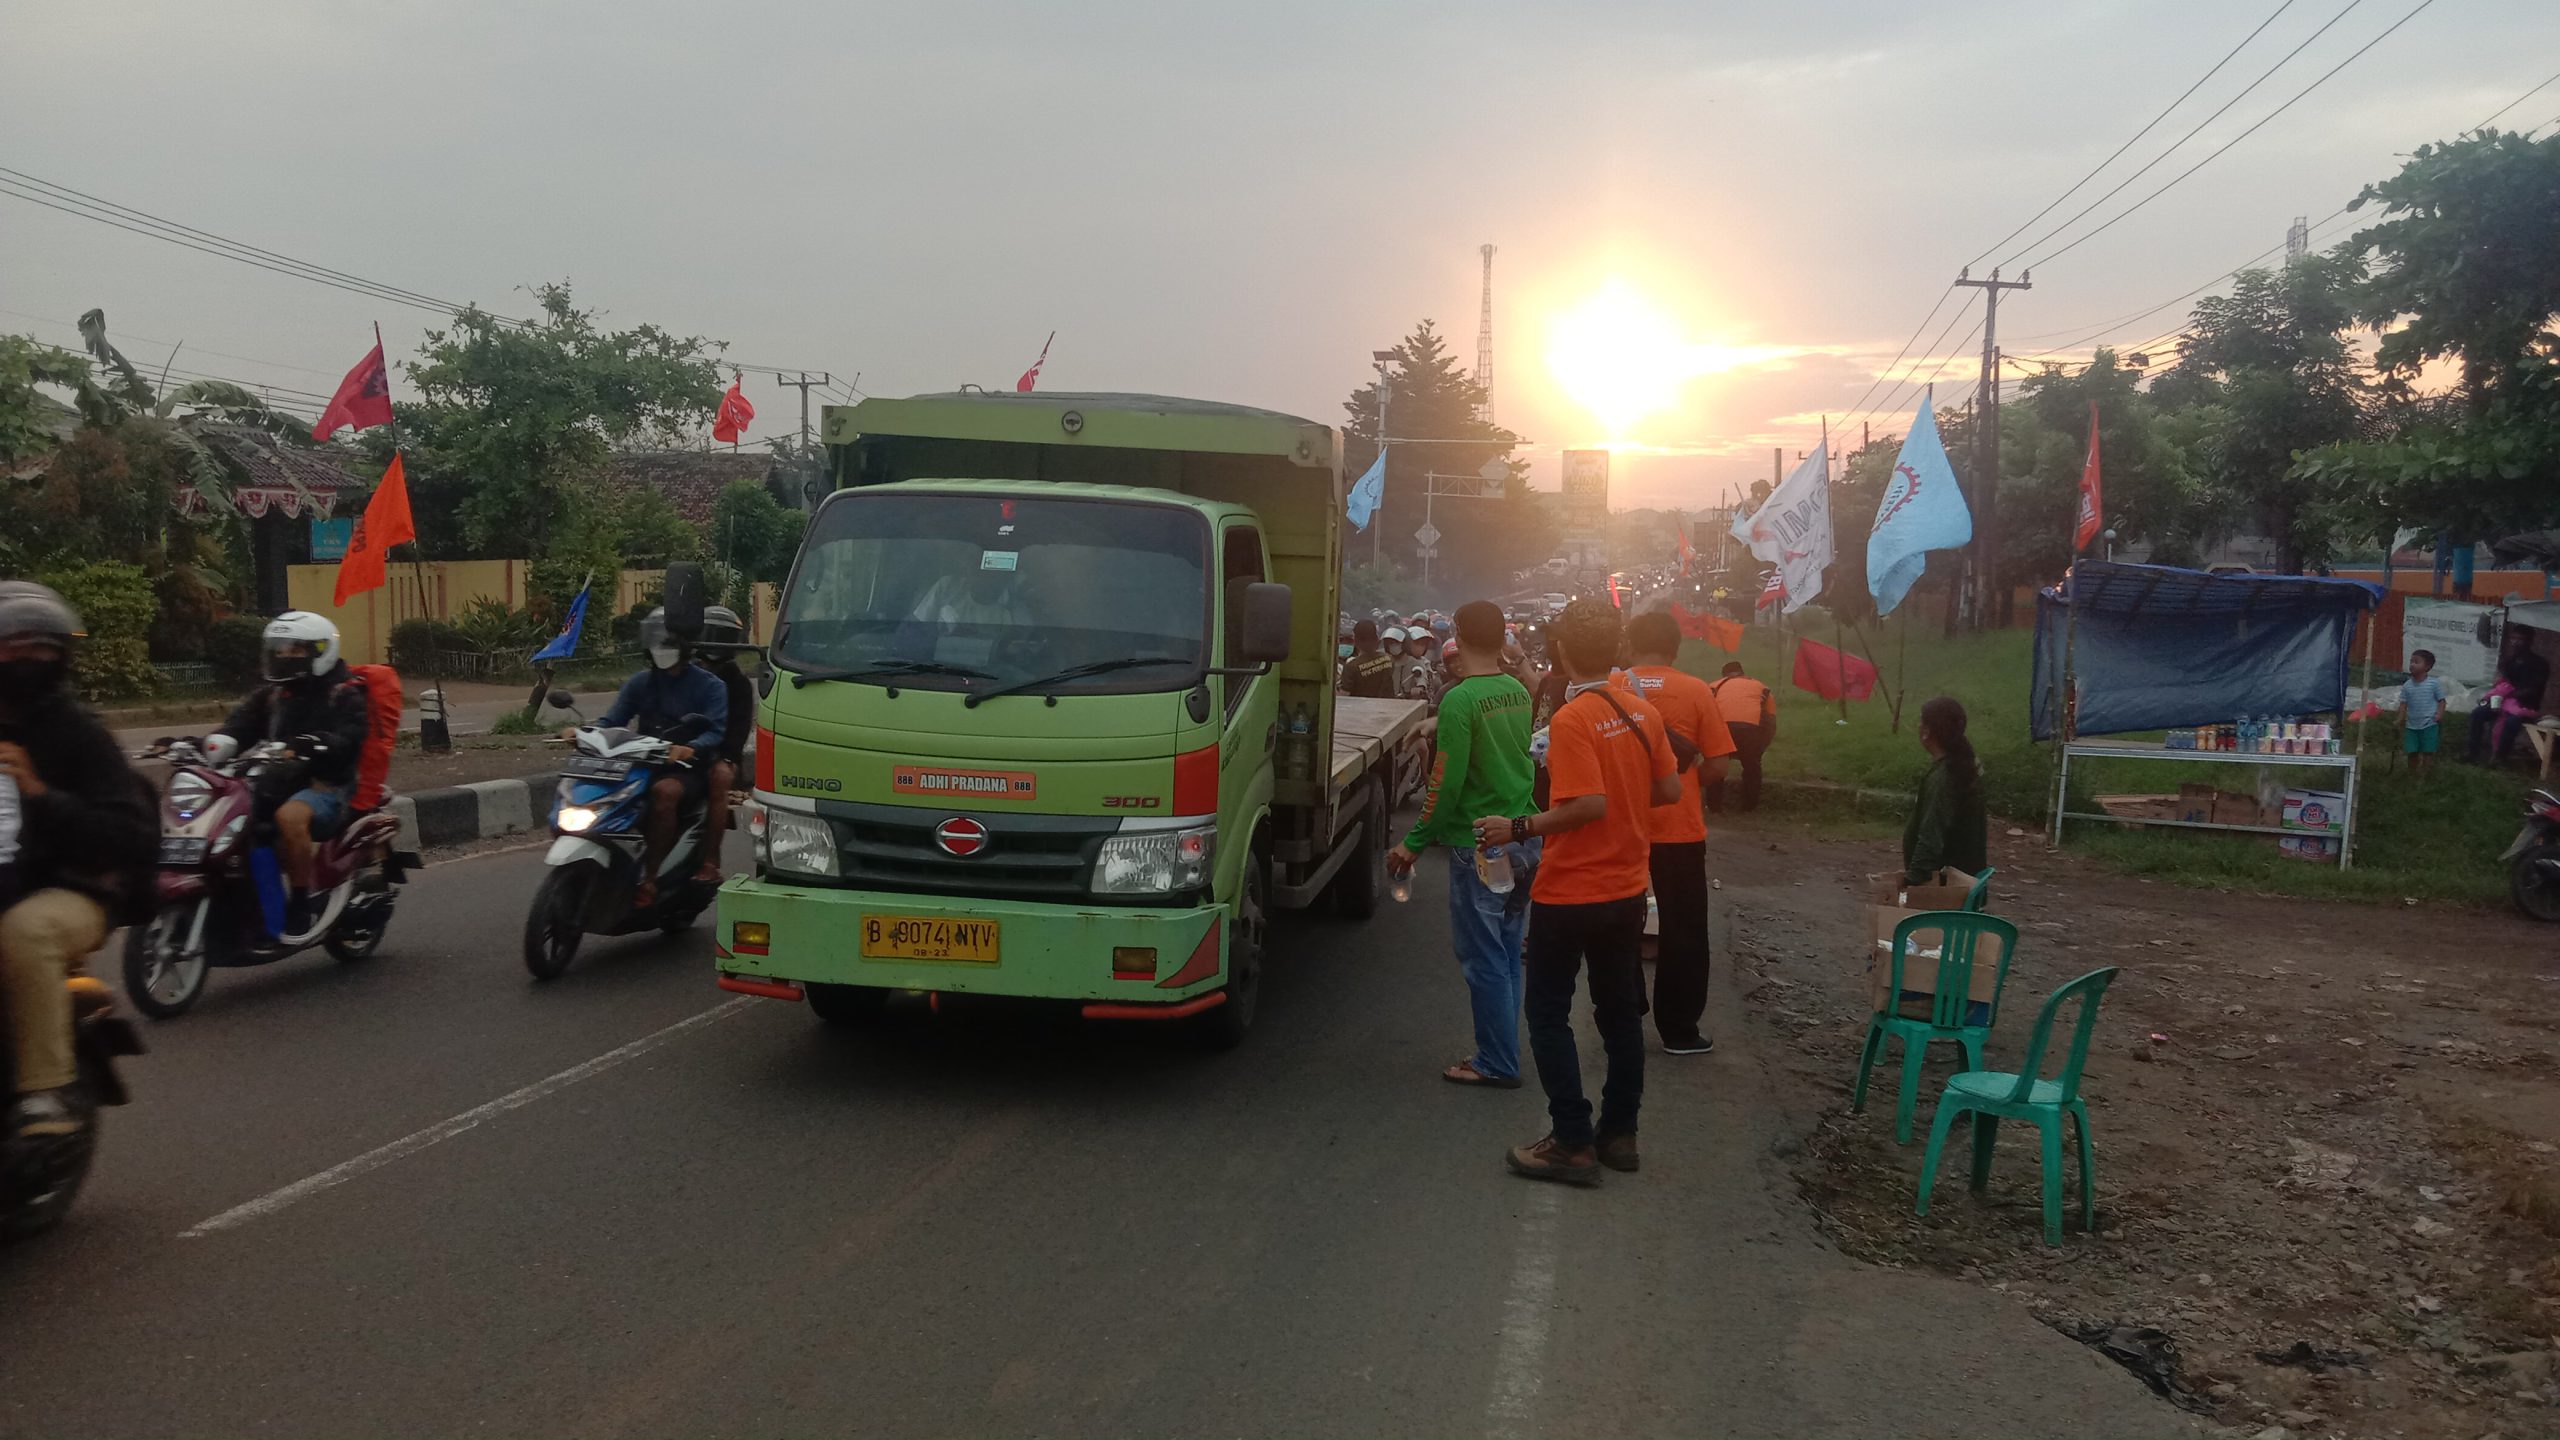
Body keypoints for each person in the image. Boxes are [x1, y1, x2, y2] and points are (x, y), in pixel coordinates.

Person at [1477, 600, 1679, 1186]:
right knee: (1619, 1016)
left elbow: (1586, 805)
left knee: (1546, 1014)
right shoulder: (1641, 712)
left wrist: (1516, 827)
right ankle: (1620, 1134)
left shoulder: (1571, 721)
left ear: (1562, 653)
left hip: (1570, 895)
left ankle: (1570, 1140)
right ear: (1617, 651)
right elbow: (1666, 790)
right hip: (1625, 891)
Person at [0, 583, 156, 1147]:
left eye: (40, 649)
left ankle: (47, 1086)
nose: (25, 661)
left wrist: (40, 793)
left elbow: (129, 836)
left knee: (22, 933)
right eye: (13, 648)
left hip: (73, 888)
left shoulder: (80, 735)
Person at [1388, 600, 1538, 1090]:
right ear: (1502, 639)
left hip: (1480, 846)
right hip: (1520, 838)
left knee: (1484, 957)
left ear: (1456, 633)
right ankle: (1505, 1049)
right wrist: (1437, 723)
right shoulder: (1514, 689)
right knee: (1508, 949)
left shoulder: (1459, 699)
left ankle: (1496, 1061)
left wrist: (1412, 843)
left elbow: (1445, 785)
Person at [209, 612, 370, 941]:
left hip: (327, 786)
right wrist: (204, 745)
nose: (284, 657)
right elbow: (237, 728)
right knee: (231, 821)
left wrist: (317, 743)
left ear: (320, 651)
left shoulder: (343, 693)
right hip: (276, 781)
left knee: (289, 817)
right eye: (280, 650)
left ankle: (299, 904)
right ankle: (249, 909)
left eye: (294, 650)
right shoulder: (272, 694)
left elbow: (350, 737)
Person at [1624, 610, 1737, 1056]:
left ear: (1630, 643)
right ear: (1675, 648)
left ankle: (1624, 1008)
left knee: (1618, 920)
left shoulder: (1613, 687)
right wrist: (1685, 785)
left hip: (1621, 826)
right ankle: (1679, 1030)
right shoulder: (1695, 691)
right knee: (1684, 927)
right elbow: (1720, 765)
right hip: (1679, 829)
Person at [576, 607, 730, 907]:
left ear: (685, 647)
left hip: (686, 766)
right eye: (658, 643)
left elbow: (715, 732)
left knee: (665, 792)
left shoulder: (711, 686)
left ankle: (650, 876)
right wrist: (584, 731)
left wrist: (691, 746)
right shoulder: (640, 682)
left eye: (669, 643)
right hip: (642, 760)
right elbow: (613, 720)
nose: (663, 650)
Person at [692, 605, 756, 883]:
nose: (711, 644)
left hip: (720, 754)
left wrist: (728, 757)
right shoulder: (686, 672)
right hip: (682, 749)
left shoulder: (738, 683)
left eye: (719, 637)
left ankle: (710, 861)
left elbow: (740, 727)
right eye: (708, 635)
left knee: (718, 780)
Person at [1904, 695, 1988, 884]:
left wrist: (1911, 881)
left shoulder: (1944, 777)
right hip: (1960, 882)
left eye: (1920, 722)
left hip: (1942, 887)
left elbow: (1931, 836)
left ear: (1926, 732)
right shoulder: (1962, 767)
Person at [2468, 628, 2550, 765]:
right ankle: (2473, 753)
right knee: (2478, 713)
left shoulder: (2540, 664)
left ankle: (2500, 757)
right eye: (2513, 638)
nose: (2515, 642)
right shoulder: (2510, 661)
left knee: (2511, 722)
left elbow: (2534, 689)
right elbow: (2504, 681)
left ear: (2529, 641)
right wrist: (2499, 687)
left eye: (2520, 639)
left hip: (2525, 706)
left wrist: (2510, 694)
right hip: (2503, 702)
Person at [1706, 660, 1776, 813]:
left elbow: (1705, 715)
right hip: (1750, 730)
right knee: (1752, 767)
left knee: (1717, 765)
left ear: (1724, 675)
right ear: (1743, 673)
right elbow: (1771, 722)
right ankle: (1749, 807)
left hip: (1722, 728)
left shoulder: (1714, 686)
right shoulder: (1763, 688)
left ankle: (1714, 807)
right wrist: (1761, 747)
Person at [2399, 648, 2444, 779]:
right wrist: (2400, 719)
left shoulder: (2433, 684)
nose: (2412, 664)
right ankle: (2412, 775)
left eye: (2416, 662)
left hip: (2429, 723)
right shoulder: (2407, 685)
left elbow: (2441, 701)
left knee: (2428, 751)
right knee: (2412, 751)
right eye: (2411, 661)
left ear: (2427, 667)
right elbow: (2403, 704)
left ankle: (2425, 776)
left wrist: (2439, 715)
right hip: (2411, 725)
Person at [1338, 619, 1398, 698]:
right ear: (1376, 638)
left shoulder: (1351, 667)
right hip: (1386, 706)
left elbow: (1344, 696)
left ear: (1355, 640)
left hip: (1360, 708)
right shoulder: (1389, 659)